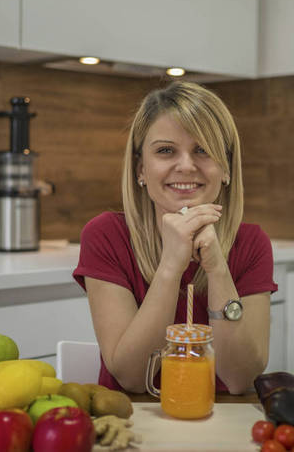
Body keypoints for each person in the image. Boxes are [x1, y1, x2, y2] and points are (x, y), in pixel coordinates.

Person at [73, 81, 277, 394]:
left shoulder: (251, 244)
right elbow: (132, 377)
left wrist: (218, 269)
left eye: (203, 150)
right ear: (141, 168)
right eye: (166, 151)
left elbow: (240, 380)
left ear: (226, 169)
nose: (185, 166)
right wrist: (171, 265)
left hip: (219, 424)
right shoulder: (105, 236)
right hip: (134, 425)